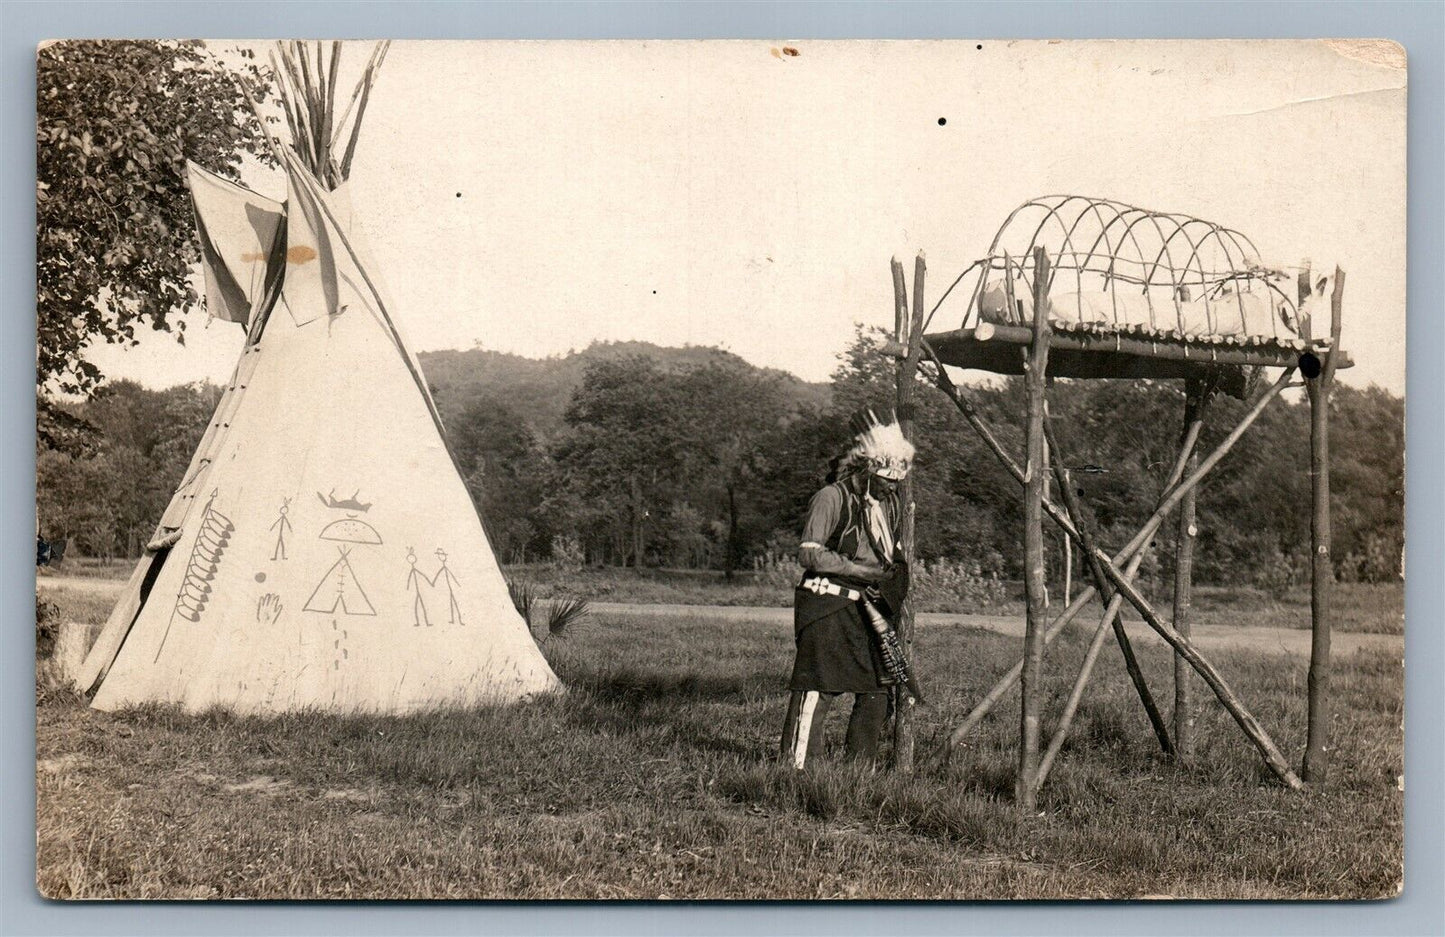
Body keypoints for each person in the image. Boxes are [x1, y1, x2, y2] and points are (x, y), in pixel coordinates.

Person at [780, 407, 914, 769]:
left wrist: (886, 589)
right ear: (867, 469)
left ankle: (859, 771)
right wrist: (856, 570)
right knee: (817, 686)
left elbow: (894, 558)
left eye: (896, 481)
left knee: (878, 690)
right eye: (885, 478)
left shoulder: (892, 505)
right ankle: (798, 769)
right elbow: (809, 553)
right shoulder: (831, 497)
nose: (891, 486)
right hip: (827, 604)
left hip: (870, 608)